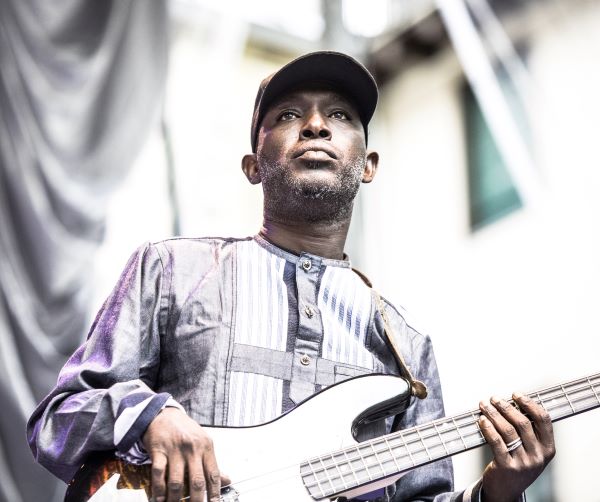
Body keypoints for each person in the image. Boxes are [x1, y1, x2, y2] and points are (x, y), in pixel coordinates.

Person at [27, 51, 555, 502]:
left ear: (368, 165)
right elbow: (57, 420)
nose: (317, 125)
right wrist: (148, 418)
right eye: (288, 115)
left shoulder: (405, 347)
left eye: (340, 115)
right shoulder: (170, 272)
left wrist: (497, 491)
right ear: (253, 165)